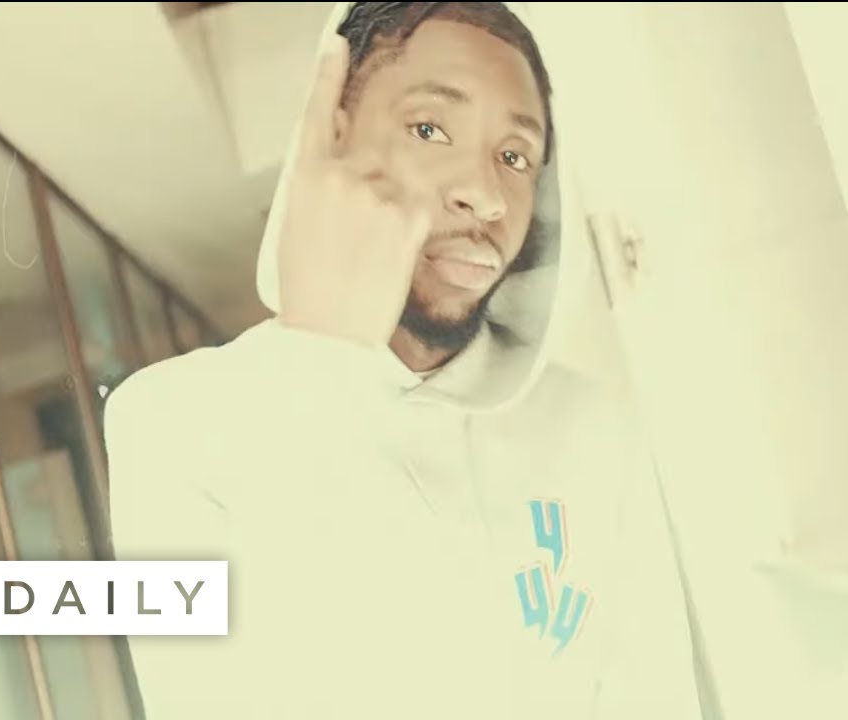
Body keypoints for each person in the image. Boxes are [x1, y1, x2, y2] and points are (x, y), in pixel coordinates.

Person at [106, 3, 701, 717]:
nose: (486, 195)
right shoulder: (172, 423)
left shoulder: (594, 424)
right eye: (429, 129)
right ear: (328, 144)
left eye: (515, 156)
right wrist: (326, 358)